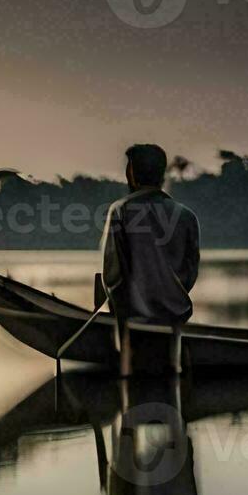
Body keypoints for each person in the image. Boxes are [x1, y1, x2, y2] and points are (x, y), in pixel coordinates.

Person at [99, 143, 200, 376]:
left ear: (132, 173)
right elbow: (189, 272)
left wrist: (119, 318)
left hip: (134, 327)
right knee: (170, 385)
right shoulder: (186, 216)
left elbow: (113, 276)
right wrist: (170, 298)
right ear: (161, 174)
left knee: (133, 392)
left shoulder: (121, 211)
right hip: (174, 320)